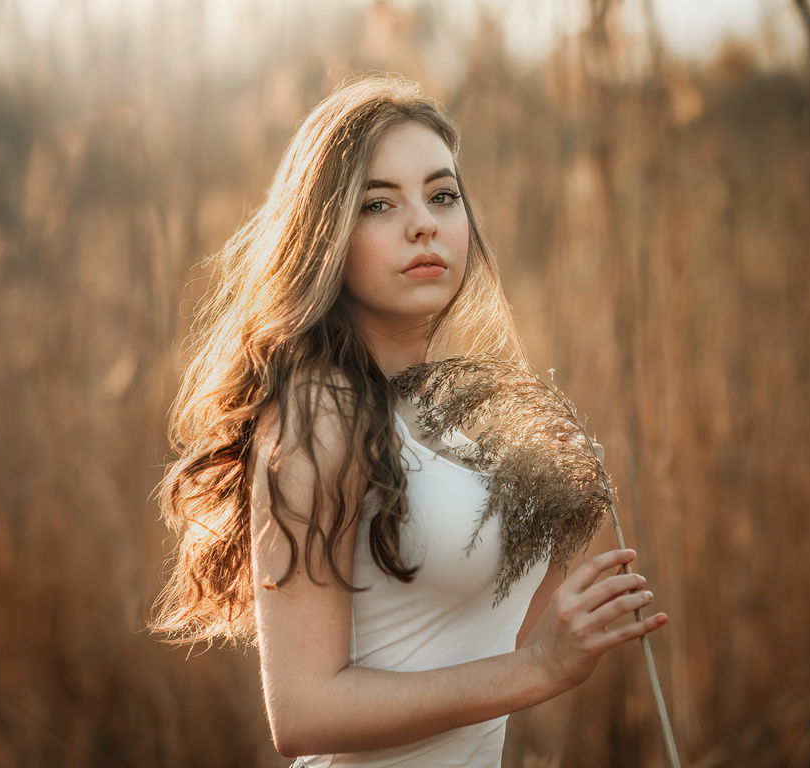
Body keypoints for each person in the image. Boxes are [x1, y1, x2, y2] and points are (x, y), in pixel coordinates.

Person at [151, 73, 667, 767]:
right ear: (325, 235)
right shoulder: (318, 414)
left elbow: (470, 637)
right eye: (379, 204)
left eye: (442, 195)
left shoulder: (440, 420)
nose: (423, 222)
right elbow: (304, 712)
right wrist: (542, 670)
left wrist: (560, 517)